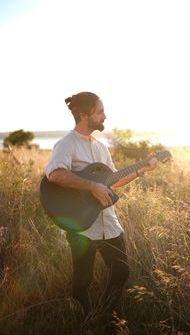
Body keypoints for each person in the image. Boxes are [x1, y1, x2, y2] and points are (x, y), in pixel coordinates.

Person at [44, 92, 157, 327]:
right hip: (81, 225)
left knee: (121, 271)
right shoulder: (67, 144)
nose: (105, 115)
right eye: (100, 111)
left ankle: (104, 317)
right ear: (84, 115)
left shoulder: (102, 147)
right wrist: (91, 186)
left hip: (109, 222)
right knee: (83, 280)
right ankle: (85, 322)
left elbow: (112, 180)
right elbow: (54, 174)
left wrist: (142, 169)